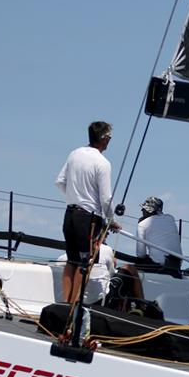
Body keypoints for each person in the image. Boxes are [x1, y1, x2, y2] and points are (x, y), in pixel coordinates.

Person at [55, 121, 118, 303]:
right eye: (110, 137)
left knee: (71, 261)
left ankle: (65, 304)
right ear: (105, 138)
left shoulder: (75, 154)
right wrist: (111, 219)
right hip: (89, 220)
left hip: (70, 214)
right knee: (85, 263)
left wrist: (74, 197)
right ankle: (74, 307)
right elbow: (106, 198)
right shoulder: (103, 163)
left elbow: (60, 181)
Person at [135, 196, 182, 273]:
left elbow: (141, 254)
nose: (142, 210)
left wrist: (140, 223)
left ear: (149, 211)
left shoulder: (142, 225)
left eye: (144, 209)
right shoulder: (170, 218)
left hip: (158, 264)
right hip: (177, 263)